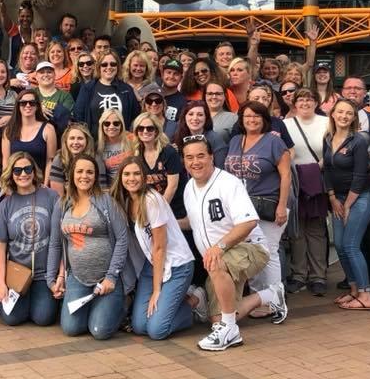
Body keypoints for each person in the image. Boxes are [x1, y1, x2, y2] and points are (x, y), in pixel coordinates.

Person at [181, 136, 286, 351]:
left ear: (211, 157)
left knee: (217, 264)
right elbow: (192, 222)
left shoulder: (228, 183)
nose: (195, 162)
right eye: (189, 157)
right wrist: (167, 224)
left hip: (250, 247)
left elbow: (248, 222)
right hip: (219, 259)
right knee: (216, 319)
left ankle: (230, 330)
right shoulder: (189, 187)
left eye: (201, 156)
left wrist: (218, 247)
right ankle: (270, 295)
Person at [113, 156, 202, 340]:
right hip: (152, 264)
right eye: (127, 174)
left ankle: (195, 301)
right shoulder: (126, 200)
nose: (131, 178)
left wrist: (156, 290)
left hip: (177, 265)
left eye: (136, 174)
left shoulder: (152, 200)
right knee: (139, 326)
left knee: (157, 330)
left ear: (145, 177)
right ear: (120, 177)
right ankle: (170, 306)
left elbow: (160, 247)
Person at [46, 153, 128, 340]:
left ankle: (119, 306)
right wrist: (52, 280)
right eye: (80, 171)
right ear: (71, 175)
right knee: (71, 328)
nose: (84, 176)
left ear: (96, 176)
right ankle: (97, 307)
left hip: (107, 279)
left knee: (99, 331)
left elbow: (122, 238)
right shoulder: (62, 204)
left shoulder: (106, 201)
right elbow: (55, 243)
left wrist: (111, 277)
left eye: (90, 172)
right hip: (78, 278)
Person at [223, 101, 291, 319]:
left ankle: (275, 300)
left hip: (269, 204)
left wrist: (282, 205)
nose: (251, 120)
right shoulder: (235, 140)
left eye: (256, 116)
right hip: (243, 208)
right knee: (252, 252)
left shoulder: (274, 141)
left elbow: (286, 175)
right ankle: (258, 298)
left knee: (269, 252)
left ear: (264, 119)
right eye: (247, 116)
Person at [0, 152, 60, 326]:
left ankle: (41, 302)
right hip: (18, 273)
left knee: (43, 318)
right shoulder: (5, 205)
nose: (23, 174)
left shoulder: (51, 197)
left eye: (27, 169)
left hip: (45, 274)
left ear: (34, 171)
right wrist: (1, 283)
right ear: (11, 174)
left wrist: (60, 274)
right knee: (12, 318)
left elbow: (60, 239)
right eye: (17, 170)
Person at [322, 99, 370, 311]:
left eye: (349, 113)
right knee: (340, 245)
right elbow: (327, 170)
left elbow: (360, 175)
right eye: (340, 112)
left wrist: (347, 205)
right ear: (333, 114)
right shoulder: (328, 138)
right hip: (338, 198)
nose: (344, 116)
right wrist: (333, 198)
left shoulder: (359, 141)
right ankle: (354, 289)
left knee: (351, 245)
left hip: (360, 197)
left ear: (354, 118)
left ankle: (366, 294)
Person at [284, 88, 329, 295]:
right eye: (300, 99)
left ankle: (318, 276)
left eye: (309, 99)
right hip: (294, 181)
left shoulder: (326, 122)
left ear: (316, 102)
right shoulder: (286, 124)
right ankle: (299, 274)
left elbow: (333, 147)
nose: (305, 103)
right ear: (294, 103)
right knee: (297, 230)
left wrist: (318, 167)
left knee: (316, 230)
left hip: (317, 180)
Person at [73, 50, 140, 140]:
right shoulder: (88, 89)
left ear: (118, 66)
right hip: (95, 142)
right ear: (99, 67)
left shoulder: (126, 89)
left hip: (122, 143)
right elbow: (79, 116)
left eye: (113, 64)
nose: (109, 67)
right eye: (104, 64)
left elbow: (135, 117)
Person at [2, 89, 57, 183]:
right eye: (23, 103)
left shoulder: (48, 129)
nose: (28, 105)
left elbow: (50, 161)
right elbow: (6, 161)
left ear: (37, 106)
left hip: (39, 184)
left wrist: (45, 185)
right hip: (15, 184)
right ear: (18, 106)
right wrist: (6, 184)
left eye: (32, 103)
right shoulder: (8, 130)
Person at [48, 123, 106, 194]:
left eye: (80, 138)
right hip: (66, 199)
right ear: (66, 141)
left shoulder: (96, 159)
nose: (75, 142)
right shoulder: (60, 158)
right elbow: (57, 195)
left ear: (87, 140)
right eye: (72, 138)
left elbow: (101, 190)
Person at [172, 100, 226, 167]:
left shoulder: (215, 138)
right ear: (184, 117)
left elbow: (220, 168)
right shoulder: (177, 137)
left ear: (206, 118)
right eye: (191, 114)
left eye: (200, 115)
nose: (195, 118)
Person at [34, 61, 73, 125]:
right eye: (42, 72)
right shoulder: (30, 94)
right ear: (36, 76)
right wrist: (38, 109)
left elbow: (65, 119)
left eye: (49, 72)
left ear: (55, 75)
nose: (46, 75)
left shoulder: (65, 96)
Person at [159, 59, 186, 123]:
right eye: (169, 72)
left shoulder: (183, 102)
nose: (171, 76)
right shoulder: (152, 94)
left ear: (181, 78)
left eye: (176, 74)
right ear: (162, 75)